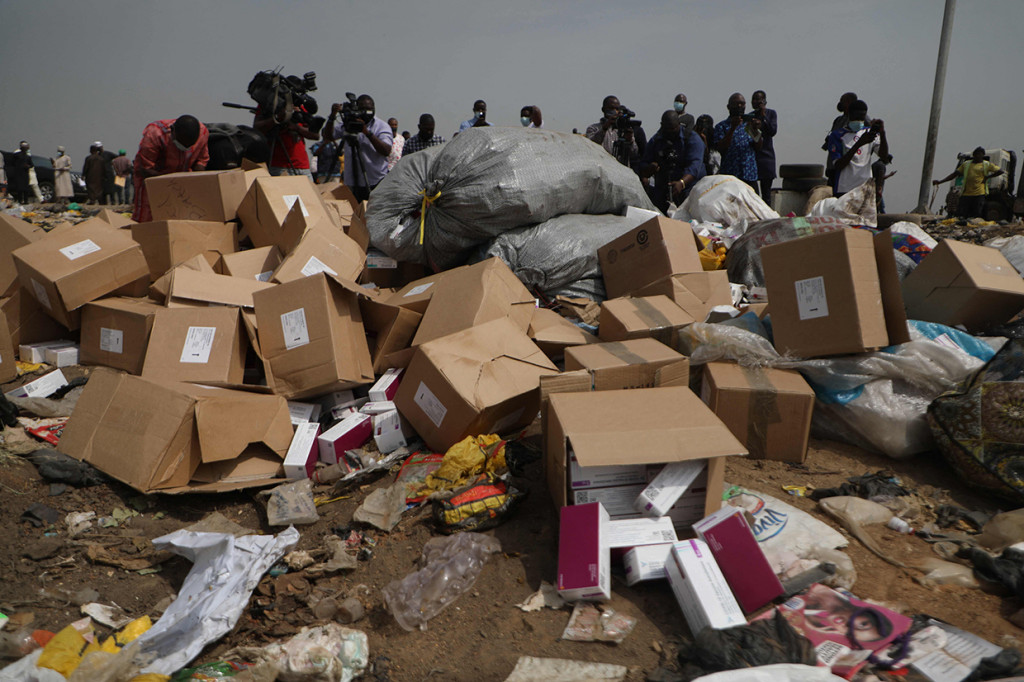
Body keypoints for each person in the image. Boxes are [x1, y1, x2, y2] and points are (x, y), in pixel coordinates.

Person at [132, 115, 210, 222]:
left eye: (189, 146)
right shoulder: (154, 134)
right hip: (153, 177)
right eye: (181, 143)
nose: (185, 148)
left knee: (181, 215)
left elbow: (201, 161)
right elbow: (146, 169)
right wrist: (171, 181)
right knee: (147, 215)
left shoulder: (203, 133)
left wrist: (197, 181)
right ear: (172, 130)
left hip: (181, 180)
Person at [323, 94, 393, 202]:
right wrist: (332, 117)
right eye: (362, 109)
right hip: (352, 182)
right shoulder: (349, 123)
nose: (365, 112)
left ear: (374, 108)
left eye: (369, 109)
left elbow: (386, 151)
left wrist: (367, 132)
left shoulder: (381, 126)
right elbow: (328, 136)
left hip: (375, 181)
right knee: (353, 215)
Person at [639, 110, 706, 214]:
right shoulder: (656, 140)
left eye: (673, 128)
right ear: (662, 125)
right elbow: (643, 165)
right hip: (663, 188)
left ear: (679, 125)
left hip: (689, 189)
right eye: (667, 129)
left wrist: (681, 183)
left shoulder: (692, 139)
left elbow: (694, 166)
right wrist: (650, 168)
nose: (670, 132)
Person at [825, 100, 889, 197]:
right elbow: (838, 165)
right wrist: (859, 144)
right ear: (850, 115)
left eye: (862, 117)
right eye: (856, 116)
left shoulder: (869, 133)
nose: (859, 120)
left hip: (866, 188)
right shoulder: (837, 135)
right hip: (845, 188)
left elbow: (884, 156)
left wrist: (882, 134)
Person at [933, 146, 1005, 219]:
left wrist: (987, 177)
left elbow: (1000, 171)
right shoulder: (966, 164)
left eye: (980, 154)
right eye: (976, 154)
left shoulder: (986, 164)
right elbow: (954, 174)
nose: (978, 156)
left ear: (983, 155)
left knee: (976, 214)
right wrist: (940, 181)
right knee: (961, 214)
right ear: (974, 155)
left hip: (979, 193)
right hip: (966, 193)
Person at [253, 101, 318, 177]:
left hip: (302, 167)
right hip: (278, 166)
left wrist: (296, 127)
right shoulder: (268, 104)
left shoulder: (300, 106)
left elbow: (315, 135)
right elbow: (257, 128)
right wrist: (278, 117)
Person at [713, 93, 761, 187]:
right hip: (730, 176)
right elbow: (721, 148)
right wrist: (732, 128)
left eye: (742, 104)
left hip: (749, 175)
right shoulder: (721, 126)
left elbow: (758, 147)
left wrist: (756, 131)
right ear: (729, 107)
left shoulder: (749, 124)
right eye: (736, 104)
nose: (739, 106)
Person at [585, 95, 647, 168]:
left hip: (622, 170)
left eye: (617, 109)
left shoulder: (623, 129)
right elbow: (591, 147)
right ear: (603, 109)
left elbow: (633, 153)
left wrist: (630, 140)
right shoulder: (593, 128)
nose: (615, 111)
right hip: (603, 169)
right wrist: (605, 127)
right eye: (611, 108)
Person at [751, 90, 778, 202]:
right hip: (753, 157)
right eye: (754, 99)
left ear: (765, 101)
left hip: (766, 157)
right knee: (753, 193)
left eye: (759, 99)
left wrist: (764, 118)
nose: (757, 102)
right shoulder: (750, 116)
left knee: (766, 193)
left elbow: (772, 131)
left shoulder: (771, 113)